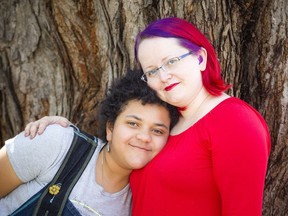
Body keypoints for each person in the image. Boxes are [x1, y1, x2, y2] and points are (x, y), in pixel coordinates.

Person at [24, 17, 271, 216]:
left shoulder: (235, 122)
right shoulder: (167, 121)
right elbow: (120, 154)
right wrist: (65, 133)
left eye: (172, 61)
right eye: (152, 70)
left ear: (200, 58)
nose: (163, 76)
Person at [0, 70, 179, 216]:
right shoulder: (58, 144)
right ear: (110, 128)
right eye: (133, 123)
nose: (144, 137)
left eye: (157, 131)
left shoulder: (141, 205)